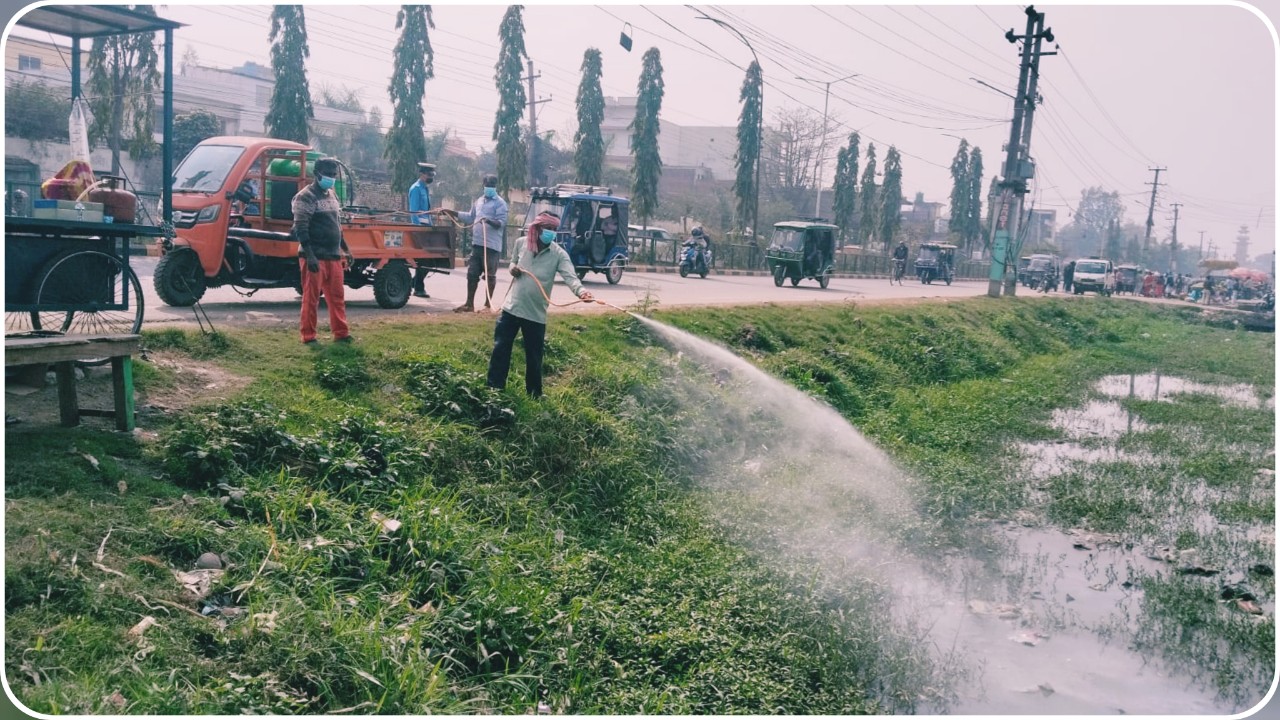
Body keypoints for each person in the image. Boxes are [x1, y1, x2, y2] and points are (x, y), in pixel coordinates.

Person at [486, 211, 594, 397]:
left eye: (554, 229)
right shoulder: (521, 243)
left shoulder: (558, 254)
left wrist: (581, 292)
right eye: (548, 228)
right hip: (511, 308)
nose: (551, 232)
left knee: (534, 357)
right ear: (538, 227)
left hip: (535, 314)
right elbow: (512, 262)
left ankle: (534, 394)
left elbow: (570, 276)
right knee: (500, 349)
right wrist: (513, 269)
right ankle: (494, 390)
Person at [293, 157, 353, 345]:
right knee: (311, 299)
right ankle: (308, 336)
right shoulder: (306, 196)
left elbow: (337, 226)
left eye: (334, 175)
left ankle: (341, 333)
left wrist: (346, 250)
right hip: (314, 256)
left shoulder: (332, 194)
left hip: (333, 256)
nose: (332, 178)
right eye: (328, 174)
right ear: (316, 173)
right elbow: (300, 228)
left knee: (337, 298)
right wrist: (310, 256)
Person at [447, 174, 508, 313]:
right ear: (483, 185)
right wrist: (452, 213)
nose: (490, 187)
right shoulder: (479, 201)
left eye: (492, 185)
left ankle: (487, 305)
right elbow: (470, 217)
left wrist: (489, 220)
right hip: (477, 244)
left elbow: (501, 223)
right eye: (488, 184)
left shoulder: (500, 203)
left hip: (491, 246)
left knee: (490, 276)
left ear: (496, 186)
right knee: (472, 274)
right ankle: (469, 304)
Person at [408, 162, 436, 298]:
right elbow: (414, 212)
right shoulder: (416, 189)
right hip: (420, 229)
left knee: (430, 259)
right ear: (422, 174)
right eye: (429, 175)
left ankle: (415, 283)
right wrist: (417, 230)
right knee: (425, 260)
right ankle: (418, 287)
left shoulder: (425, 189)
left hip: (427, 227)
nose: (431, 177)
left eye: (432, 175)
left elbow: (426, 211)